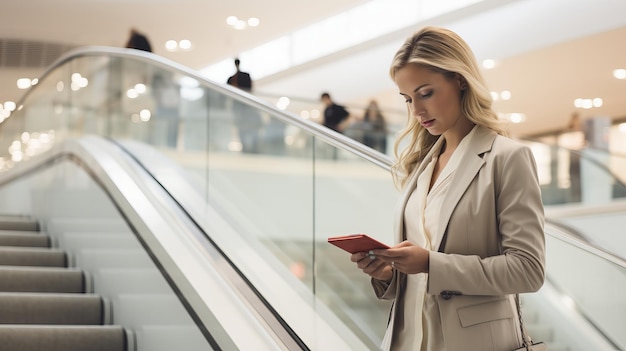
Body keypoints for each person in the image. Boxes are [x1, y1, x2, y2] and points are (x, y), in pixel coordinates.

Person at [350, 26, 545, 351]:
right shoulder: (421, 164)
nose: (417, 110)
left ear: (460, 80)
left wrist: (430, 263)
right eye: (408, 98)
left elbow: (528, 269)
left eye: (426, 93)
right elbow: (419, 273)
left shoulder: (507, 158)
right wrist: (388, 272)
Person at [227, 58, 262, 153]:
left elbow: (249, 89)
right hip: (238, 107)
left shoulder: (245, 76)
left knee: (250, 127)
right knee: (241, 128)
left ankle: (254, 149)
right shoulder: (231, 79)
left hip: (246, 105)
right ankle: (245, 149)